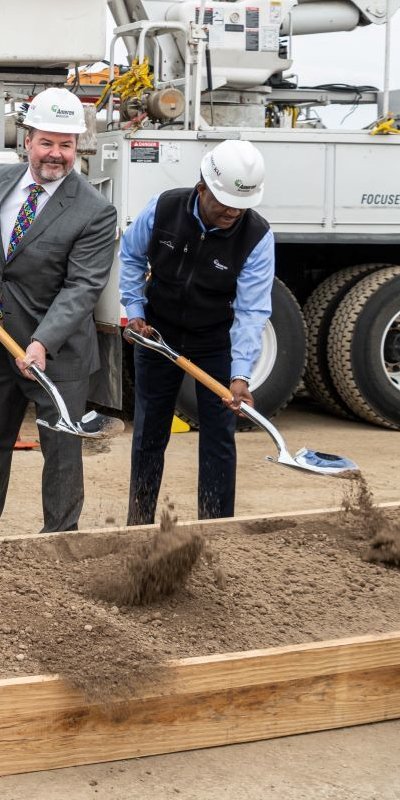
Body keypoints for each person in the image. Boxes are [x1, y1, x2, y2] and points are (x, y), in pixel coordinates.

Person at [0, 87, 118, 536]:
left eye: (66, 145)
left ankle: (60, 541)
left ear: (77, 147)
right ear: (27, 139)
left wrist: (43, 341)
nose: (56, 154)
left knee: (61, 453)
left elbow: (82, 287)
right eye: (47, 142)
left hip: (58, 354)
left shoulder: (94, 211)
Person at [122, 138, 274, 524]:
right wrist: (135, 311)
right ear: (202, 186)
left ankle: (216, 526)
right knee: (149, 434)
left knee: (219, 439)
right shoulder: (163, 209)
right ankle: (138, 524)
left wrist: (240, 373)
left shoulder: (256, 236)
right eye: (224, 201)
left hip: (214, 341)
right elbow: (131, 256)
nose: (232, 211)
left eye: (241, 205)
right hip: (158, 334)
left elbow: (252, 310)